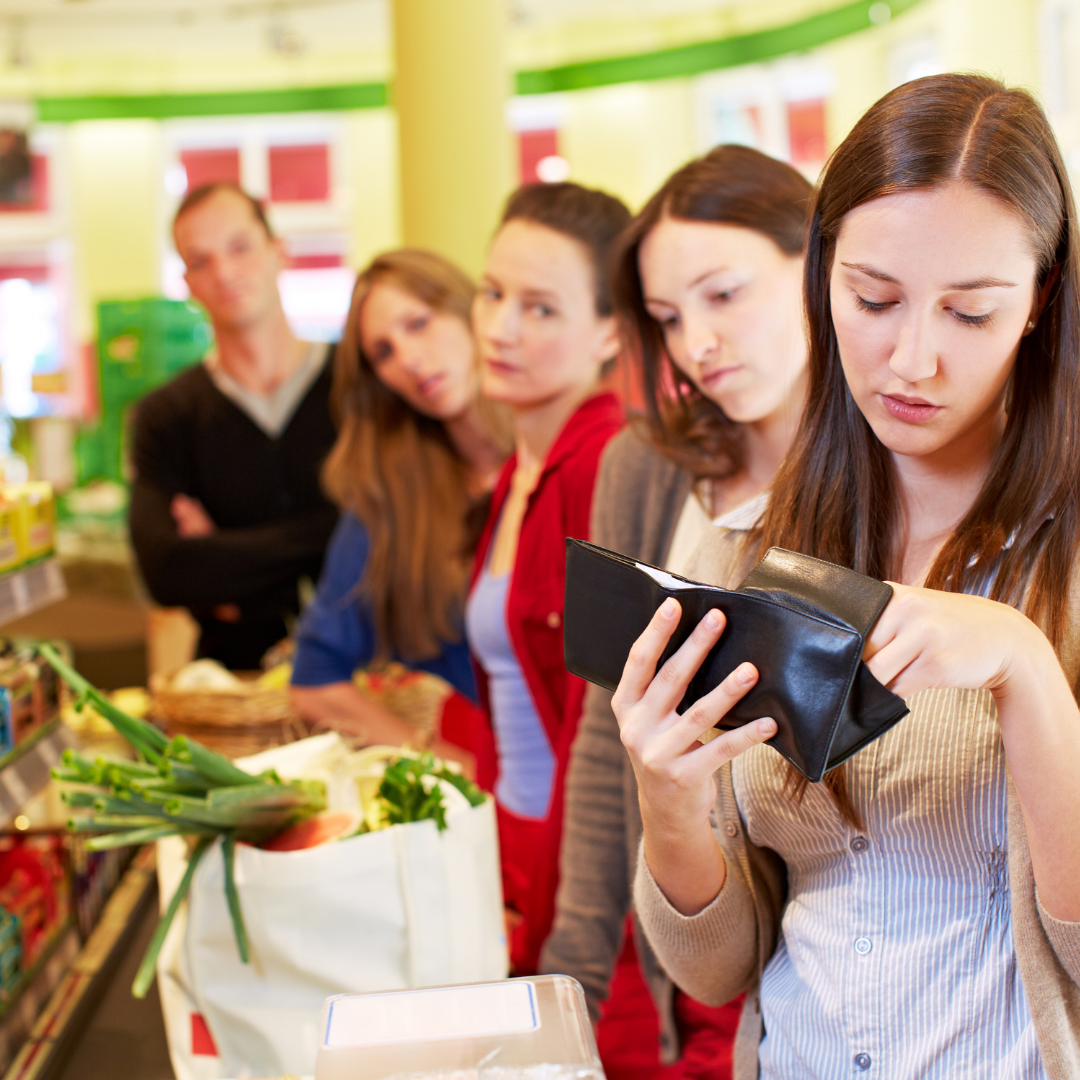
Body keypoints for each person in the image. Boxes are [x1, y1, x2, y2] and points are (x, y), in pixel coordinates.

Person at [617, 74, 1080, 1080]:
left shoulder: (1065, 556)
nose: (911, 358)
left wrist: (1026, 665)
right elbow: (720, 965)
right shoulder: (744, 551)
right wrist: (664, 793)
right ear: (823, 278)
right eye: (873, 300)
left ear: (1041, 301)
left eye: (970, 313)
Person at [541, 146, 812, 1080]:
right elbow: (599, 728)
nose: (698, 341)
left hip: (831, 951)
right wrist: (572, 967)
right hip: (690, 922)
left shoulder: (894, 465)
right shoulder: (644, 466)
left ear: (818, 262)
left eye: (724, 294)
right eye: (667, 317)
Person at [467, 182, 629, 974]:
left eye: (540, 308)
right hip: (512, 842)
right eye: (492, 294)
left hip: (574, 868)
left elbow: (606, 727)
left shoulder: (603, 464)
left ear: (611, 330)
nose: (499, 328)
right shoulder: (520, 468)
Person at [290, 250, 511, 781]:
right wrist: (451, 767)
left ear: (470, 310)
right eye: (384, 352)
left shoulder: (562, 456)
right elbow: (314, 681)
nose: (410, 359)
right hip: (492, 795)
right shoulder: (388, 497)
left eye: (419, 323)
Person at [130, 183, 337, 670]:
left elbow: (388, 534)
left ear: (278, 251)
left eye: (240, 247)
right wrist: (329, 534)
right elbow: (165, 573)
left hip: (374, 676)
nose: (224, 272)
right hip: (234, 689)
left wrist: (223, 560)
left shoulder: (355, 386)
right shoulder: (167, 415)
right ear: (187, 283)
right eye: (200, 261)